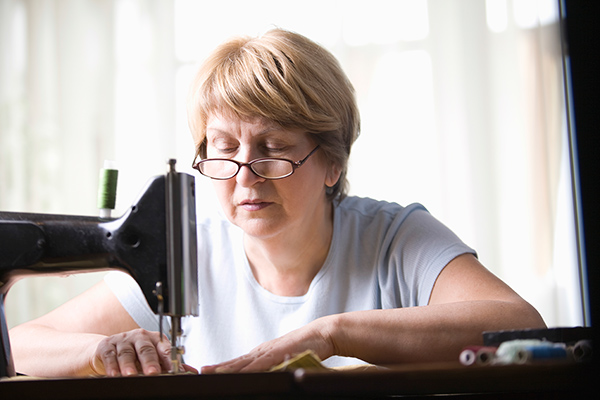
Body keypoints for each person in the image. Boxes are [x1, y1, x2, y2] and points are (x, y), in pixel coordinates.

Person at [9, 28, 545, 378]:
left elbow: (520, 324)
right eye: (223, 149)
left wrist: (331, 334)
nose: (246, 173)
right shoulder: (191, 251)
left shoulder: (394, 238)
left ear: (333, 163)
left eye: (275, 149)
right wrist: (100, 352)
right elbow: (24, 343)